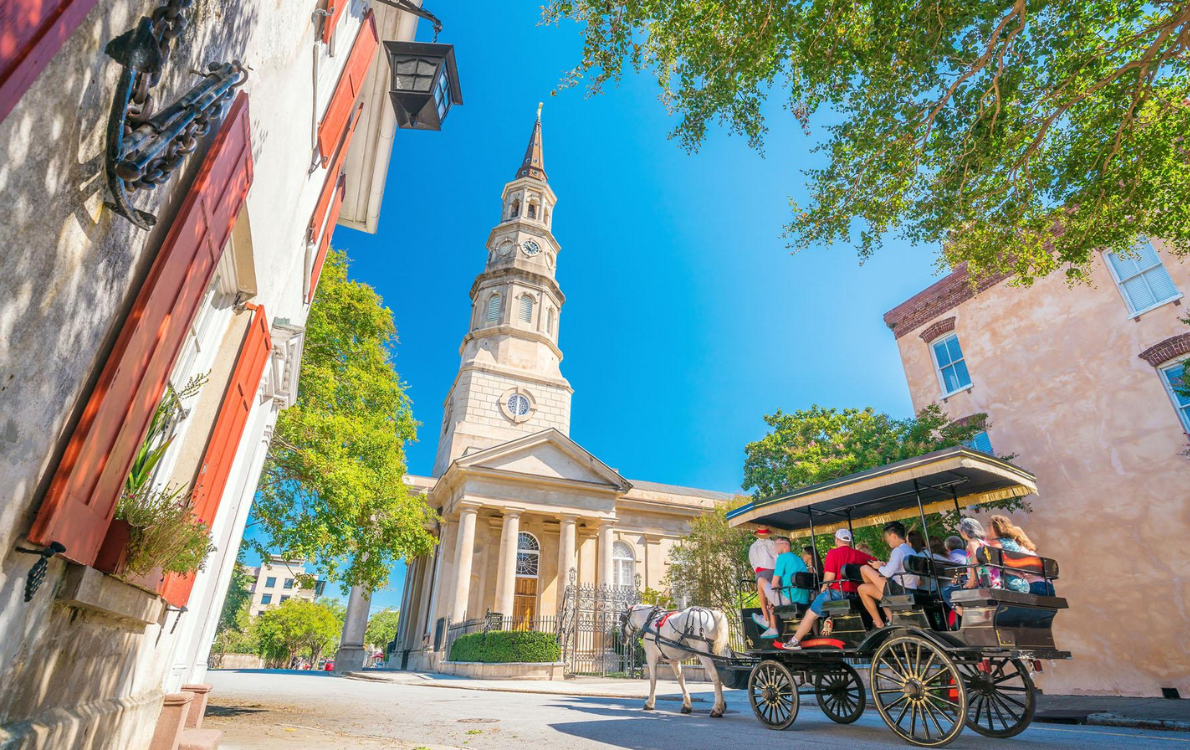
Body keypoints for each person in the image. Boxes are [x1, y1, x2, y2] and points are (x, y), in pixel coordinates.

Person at [776, 528, 873, 650]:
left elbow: (829, 577)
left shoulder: (833, 553)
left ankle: (795, 641)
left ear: (837, 540)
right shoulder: (859, 555)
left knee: (810, 613)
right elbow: (875, 562)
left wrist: (824, 587)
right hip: (856, 594)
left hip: (837, 593)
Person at [856, 521, 920, 628]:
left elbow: (888, 573)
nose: (887, 541)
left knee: (864, 568)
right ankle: (889, 621)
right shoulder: (910, 550)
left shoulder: (898, 550)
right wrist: (884, 566)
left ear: (893, 536)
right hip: (909, 587)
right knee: (862, 588)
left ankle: (879, 623)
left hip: (899, 589)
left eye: (887, 538)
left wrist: (878, 566)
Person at [988, 514, 1052, 595]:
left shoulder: (1020, 550)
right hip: (1047, 585)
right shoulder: (1029, 550)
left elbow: (999, 565)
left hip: (1032, 585)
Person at [748, 527, 779, 638]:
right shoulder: (773, 544)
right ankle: (773, 626)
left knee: (763, 600)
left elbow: (753, 563)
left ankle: (766, 619)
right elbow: (777, 558)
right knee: (772, 600)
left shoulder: (753, 547)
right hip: (774, 572)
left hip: (761, 572)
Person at [769, 537, 812, 609]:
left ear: (785, 545)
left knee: (761, 580)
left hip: (791, 599)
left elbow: (774, 584)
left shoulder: (782, 557)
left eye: (776, 545)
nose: (775, 547)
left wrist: (772, 599)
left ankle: (764, 618)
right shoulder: (799, 559)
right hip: (804, 599)